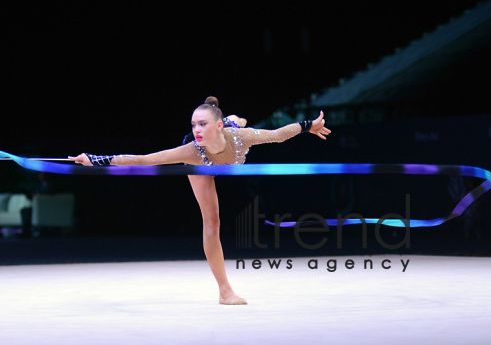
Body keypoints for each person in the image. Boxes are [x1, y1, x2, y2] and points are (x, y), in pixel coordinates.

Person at [69, 96, 331, 305]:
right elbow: (144, 159)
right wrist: (95, 159)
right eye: (193, 124)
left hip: (230, 135)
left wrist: (309, 125)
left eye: (202, 124)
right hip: (201, 163)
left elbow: (278, 134)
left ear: (216, 126)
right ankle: (225, 291)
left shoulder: (242, 136)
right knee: (212, 221)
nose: (196, 129)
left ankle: (230, 117)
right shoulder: (191, 149)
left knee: (239, 121)